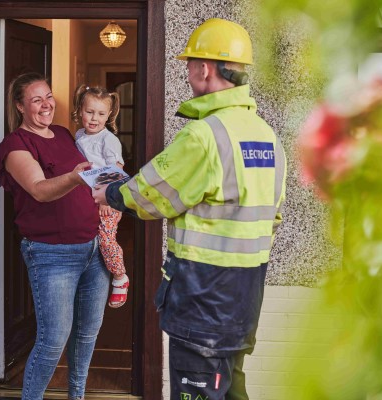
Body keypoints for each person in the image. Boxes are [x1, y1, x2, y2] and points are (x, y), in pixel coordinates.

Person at [93, 18, 287, 400]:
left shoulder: (205, 135)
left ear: (204, 68)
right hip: (244, 296)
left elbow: (151, 194)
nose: (186, 72)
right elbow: (273, 215)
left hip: (204, 298)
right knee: (229, 389)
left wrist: (111, 194)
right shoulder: (266, 136)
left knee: (199, 391)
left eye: (189, 64)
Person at [0, 72, 110, 400]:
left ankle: (77, 396)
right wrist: (75, 177)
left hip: (93, 248)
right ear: (19, 106)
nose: (46, 104)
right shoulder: (15, 145)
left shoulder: (62, 133)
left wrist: (107, 181)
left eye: (48, 96)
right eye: (36, 100)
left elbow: (87, 178)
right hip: (51, 253)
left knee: (87, 334)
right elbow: (39, 190)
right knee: (53, 339)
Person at [71, 84, 129, 308]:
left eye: (101, 114)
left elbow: (118, 167)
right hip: (91, 198)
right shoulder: (79, 135)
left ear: (109, 116)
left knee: (106, 239)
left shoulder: (108, 140)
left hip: (108, 198)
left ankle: (120, 277)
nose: (94, 118)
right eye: (90, 112)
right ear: (80, 110)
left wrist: (106, 197)